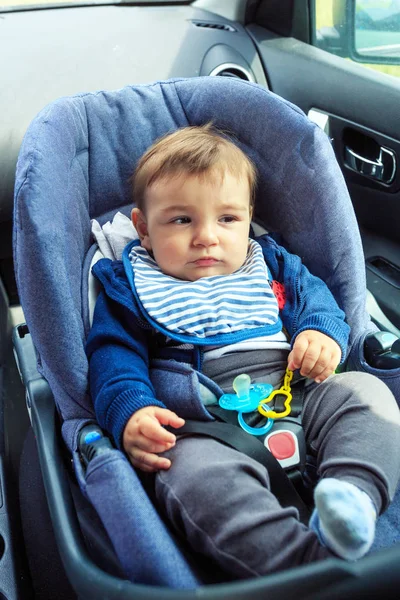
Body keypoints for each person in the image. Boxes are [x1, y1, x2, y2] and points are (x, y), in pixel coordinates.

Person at [86, 124, 400, 578]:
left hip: (301, 395)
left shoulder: (269, 263)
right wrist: (132, 411)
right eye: (181, 219)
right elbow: (113, 358)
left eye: (227, 219)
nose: (207, 237)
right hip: (203, 426)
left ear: (248, 218)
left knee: (366, 393)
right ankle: (302, 562)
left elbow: (316, 300)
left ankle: (352, 498)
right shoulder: (130, 288)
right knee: (184, 473)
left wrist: (320, 335)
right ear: (143, 230)